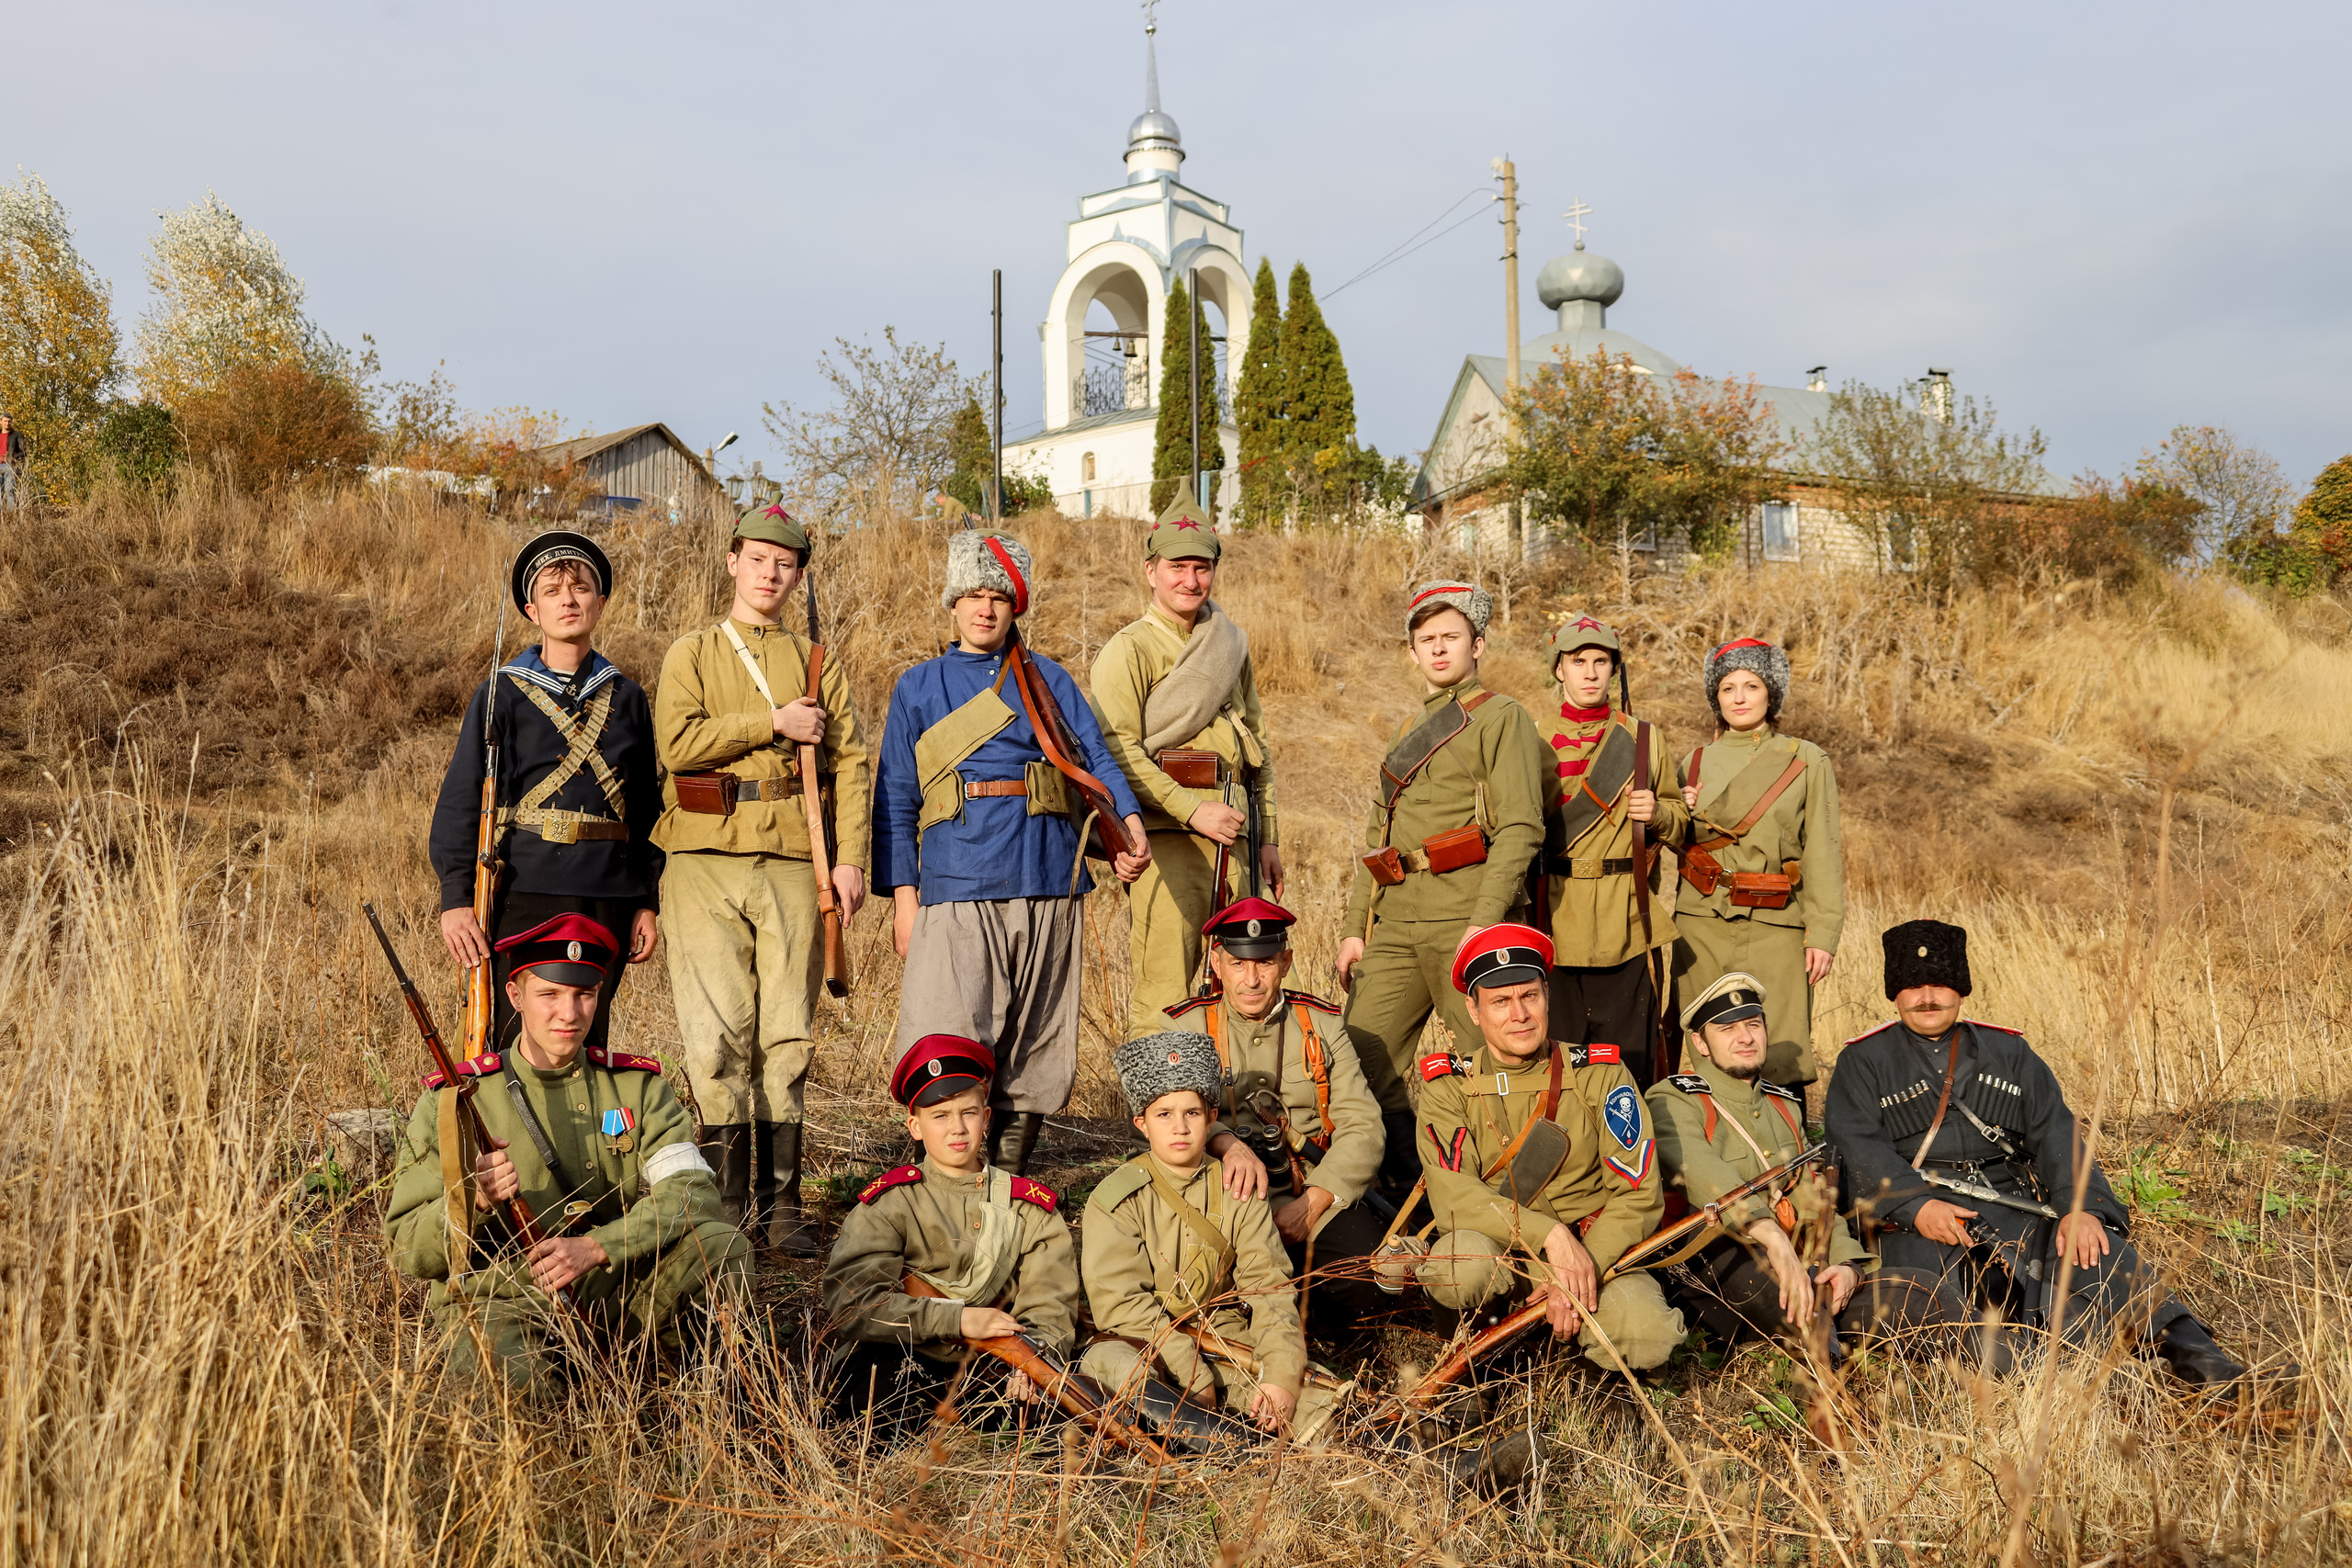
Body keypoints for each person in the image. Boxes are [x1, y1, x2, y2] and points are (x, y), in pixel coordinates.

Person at [1826, 919, 2260, 1389]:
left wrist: (2080, 1207)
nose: (1927, 997)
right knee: (1958, 1314)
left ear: (1962, 989)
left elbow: (2057, 1133)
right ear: (1895, 993)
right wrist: (1917, 1206)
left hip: (2014, 1208)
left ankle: (2214, 1374)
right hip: (1920, 1224)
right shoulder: (1862, 1061)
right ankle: (2076, 1378)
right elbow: (1857, 1149)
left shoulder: (2009, 1051)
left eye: (1940, 984)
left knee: (2103, 1258)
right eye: (1913, 986)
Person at [872, 531, 1148, 1175]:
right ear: (952, 601)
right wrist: (905, 900)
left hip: (1048, 873)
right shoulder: (919, 686)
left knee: (1037, 1043)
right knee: (949, 1036)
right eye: (973, 594)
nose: (986, 609)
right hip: (955, 880)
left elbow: (1095, 755)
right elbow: (895, 799)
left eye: (999, 595)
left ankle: (1009, 1185)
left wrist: (1129, 823)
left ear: (1016, 603)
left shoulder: (1048, 679)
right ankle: (944, 1190)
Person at [383, 914, 750, 1394]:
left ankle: (691, 1397)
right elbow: (407, 1247)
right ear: (515, 997)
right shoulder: (453, 1101)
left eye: (584, 995)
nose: (570, 1014)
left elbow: (694, 1195)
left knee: (720, 1247)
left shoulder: (637, 1087)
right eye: (549, 995)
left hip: (606, 1277)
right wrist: (472, 1198)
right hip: (502, 1296)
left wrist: (599, 1247)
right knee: (520, 1398)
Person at [652, 503, 872, 1257]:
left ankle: (783, 1207)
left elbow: (850, 763)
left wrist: (848, 860)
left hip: (791, 858)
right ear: (732, 562)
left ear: (798, 573)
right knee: (715, 1039)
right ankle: (726, 1204)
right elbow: (677, 743)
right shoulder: (693, 652)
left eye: (786, 563)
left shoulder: (818, 661)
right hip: (703, 858)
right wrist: (771, 722)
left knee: (787, 1035)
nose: (770, 573)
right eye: (757, 558)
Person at [1391, 924, 1687, 1374]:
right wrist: (1550, 1237)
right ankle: (1474, 1369)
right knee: (1459, 1265)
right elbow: (1454, 1196)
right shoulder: (1448, 1086)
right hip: (1502, 1251)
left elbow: (1637, 1194)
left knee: (1648, 1334)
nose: (1520, 1015)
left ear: (1547, 996)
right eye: (1500, 1002)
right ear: (1473, 1010)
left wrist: (1577, 1267)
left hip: (1593, 1251)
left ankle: (1592, 1376)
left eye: (1529, 996)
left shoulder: (1600, 1075)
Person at [1336, 581, 1547, 1192]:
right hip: (1398, 918)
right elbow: (1379, 839)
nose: (1437, 649)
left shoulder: (1500, 716)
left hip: (1466, 914)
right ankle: (1410, 1188)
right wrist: (1355, 929)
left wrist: (1485, 921)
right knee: (1360, 1058)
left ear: (1477, 644)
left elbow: (1520, 825)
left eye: (1450, 637)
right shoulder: (1409, 726)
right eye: (1425, 639)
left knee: (1496, 1069)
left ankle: (1509, 1202)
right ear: (1411, 652)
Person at [431, 531, 664, 1058]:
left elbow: (648, 810)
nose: (569, 599)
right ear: (532, 608)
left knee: (585, 1032)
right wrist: (455, 899)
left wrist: (647, 901)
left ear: (600, 603)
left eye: (581, 588)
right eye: (554, 590)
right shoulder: (501, 692)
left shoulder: (628, 697)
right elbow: (463, 801)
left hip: (607, 892)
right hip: (522, 887)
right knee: (518, 1041)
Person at [1651, 972, 1966, 1352]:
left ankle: (2023, 1364)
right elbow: (1707, 1177)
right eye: (1727, 1029)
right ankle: (1829, 1397)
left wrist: (1846, 1265)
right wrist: (1772, 1238)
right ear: (1700, 1043)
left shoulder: (1782, 1105)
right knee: (1803, 1308)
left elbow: (1814, 1199)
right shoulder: (1674, 1099)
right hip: (1721, 1264)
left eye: (1753, 1025)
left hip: (1798, 1271)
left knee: (1924, 1290)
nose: (1746, 1037)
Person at [1078, 1030, 1337, 1445]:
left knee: (1320, 1398)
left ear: (1211, 1116)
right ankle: (1219, 1446)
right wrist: (1191, 1369)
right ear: (1141, 1124)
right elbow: (1121, 1307)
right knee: (1116, 1367)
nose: (1179, 1128)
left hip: (1221, 1335)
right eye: (1163, 1115)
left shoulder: (1238, 1186)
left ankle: (1226, 1441)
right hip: (1145, 1342)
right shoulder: (1115, 1199)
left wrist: (1280, 1376)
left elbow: (1270, 1288)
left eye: (1192, 1114)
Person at [1087, 497, 1283, 1036]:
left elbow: (1256, 750)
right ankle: (1158, 1116)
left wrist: (1268, 839)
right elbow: (1116, 751)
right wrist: (1192, 811)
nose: (1191, 580)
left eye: (1202, 567)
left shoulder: (1230, 645)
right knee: (1166, 995)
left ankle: (1229, 1112)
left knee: (1246, 986)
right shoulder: (1128, 650)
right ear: (1151, 571)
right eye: (1178, 567)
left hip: (1237, 838)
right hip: (1170, 838)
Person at [821, 1033, 1080, 1433]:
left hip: (988, 1365)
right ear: (915, 1126)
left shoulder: (1029, 1207)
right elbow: (855, 1305)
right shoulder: (891, 1203)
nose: (957, 1128)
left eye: (968, 1113)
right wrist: (957, 1320)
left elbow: (1050, 1305)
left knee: (1042, 1417)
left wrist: (1034, 1361)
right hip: (902, 1356)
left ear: (987, 1117)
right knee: (871, 1391)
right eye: (940, 1116)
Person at [1163, 897, 1390, 1330]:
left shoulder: (1321, 1024)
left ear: (1286, 961)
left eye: (1265, 963)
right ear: (1215, 962)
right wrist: (1225, 1142)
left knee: (1367, 1282)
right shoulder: (1185, 1027)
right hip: (1218, 1192)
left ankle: (1306, 1319)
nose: (1251, 980)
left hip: (1306, 1184)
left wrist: (1314, 1202)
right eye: (1236, 964)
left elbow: (1363, 1124)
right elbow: (1169, 1118)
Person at [1672, 638, 1844, 1097]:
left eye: (1752, 685)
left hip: (1777, 923)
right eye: (1728, 688)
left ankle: (1788, 1155)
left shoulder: (1806, 760)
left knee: (1780, 1047)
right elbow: (1670, 841)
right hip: (1701, 922)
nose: (1740, 697)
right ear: (1716, 697)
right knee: (1708, 1045)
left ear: (1772, 694)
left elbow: (1823, 853)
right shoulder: (1693, 764)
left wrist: (1822, 934)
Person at [1535, 615, 1689, 1087]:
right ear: (1559, 669)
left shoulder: (1644, 738)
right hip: (1554, 918)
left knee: (1630, 1064)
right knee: (1559, 1064)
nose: (1589, 672)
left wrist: (1658, 813)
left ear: (1613, 669)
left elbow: (1681, 822)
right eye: (1577, 661)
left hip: (1624, 919)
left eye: (1601, 661)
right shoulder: (1530, 734)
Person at [0, 412, 24, 509]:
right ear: (1, 422)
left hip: (10, 466)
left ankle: (11, 516)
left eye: (9, 421)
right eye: (5, 421)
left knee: (10, 491)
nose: (7, 423)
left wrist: (11, 457)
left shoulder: (17, 435)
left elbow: (24, 452)